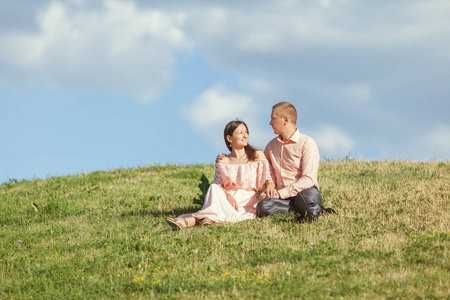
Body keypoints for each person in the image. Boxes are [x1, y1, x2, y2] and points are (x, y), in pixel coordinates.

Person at [165, 120, 274, 230]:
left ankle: (190, 221)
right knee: (213, 187)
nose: (245, 135)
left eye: (246, 132)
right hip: (226, 200)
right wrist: (228, 196)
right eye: (240, 132)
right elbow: (218, 186)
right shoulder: (223, 160)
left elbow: (269, 180)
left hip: (245, 205)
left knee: (215, 193)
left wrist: (267, 191)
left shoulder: (256, 155)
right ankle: (209, 219)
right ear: (229, 138)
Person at [256, 102, 324, 222]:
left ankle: (308, 212)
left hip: (304, 192)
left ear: (286, 120)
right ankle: (303, 211)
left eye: (273, 119)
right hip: (283, 200)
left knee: (310, 195)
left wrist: (281, 193)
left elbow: (308, 179)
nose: (270, 123)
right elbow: (263, 168)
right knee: (263, 206)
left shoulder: (307, 143)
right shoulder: (271, 146)